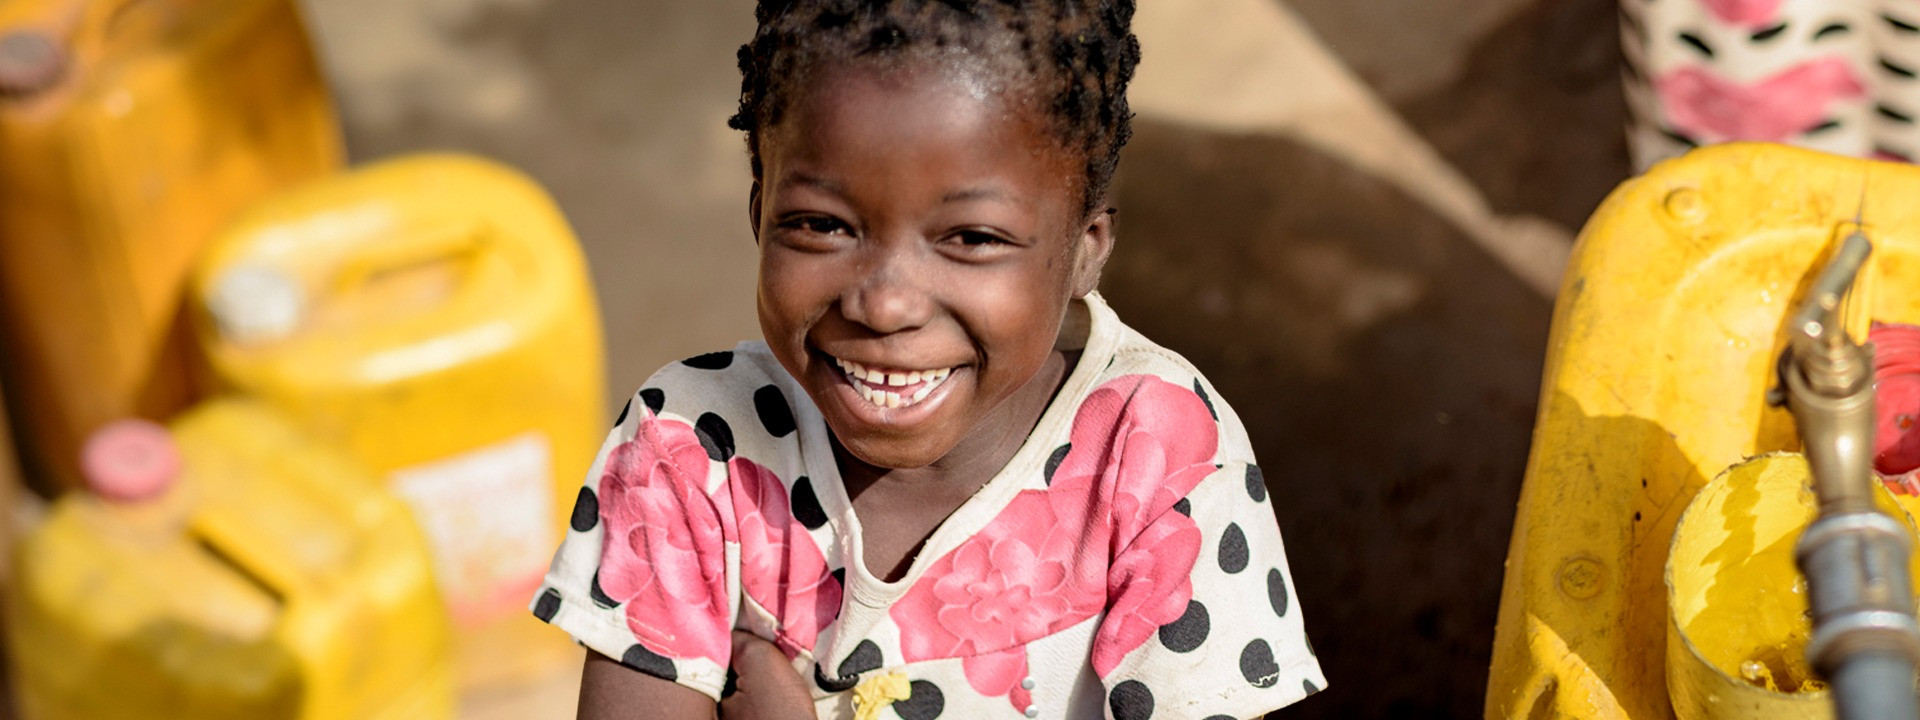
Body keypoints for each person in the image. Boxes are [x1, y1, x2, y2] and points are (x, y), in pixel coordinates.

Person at [530, 1, 1324, 717]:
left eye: (972, 238)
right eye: (821, 225)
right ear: (758, 211)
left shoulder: (1159, 457)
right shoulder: (688, 454)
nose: (884, 304)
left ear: (1086, 253)